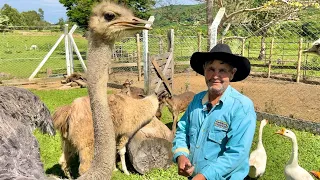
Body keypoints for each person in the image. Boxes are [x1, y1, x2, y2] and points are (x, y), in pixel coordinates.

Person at [172, 43, 257, 180]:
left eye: (222, 70)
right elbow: (182, 130)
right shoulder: (196, 101)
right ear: (204, 71)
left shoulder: (242, 107)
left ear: (232, 73)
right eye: (211, 69)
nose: (215, 75)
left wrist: (203, 176)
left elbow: (236, 154)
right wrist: (181, 155)